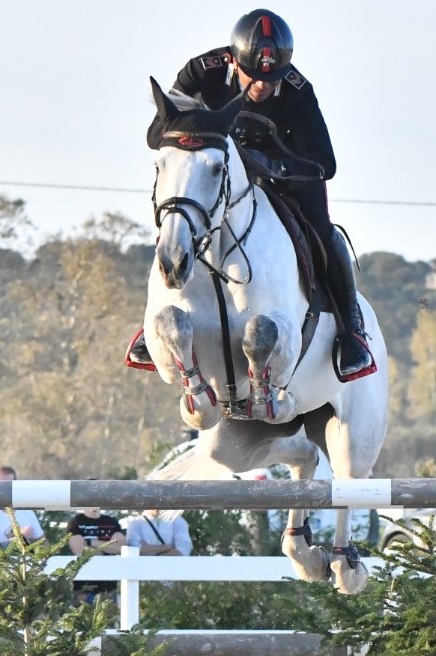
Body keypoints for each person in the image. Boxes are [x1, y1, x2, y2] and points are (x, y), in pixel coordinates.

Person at [129, 8, 376, 382]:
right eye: (253, 76)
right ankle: (152, 325)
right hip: (215, 173)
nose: (262, 85)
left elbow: (325, 162)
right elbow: (155, 135)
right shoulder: (201, 72)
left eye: (271, 78)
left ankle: (351, 333)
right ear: (233, 60)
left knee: (324, 231)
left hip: (281, 175)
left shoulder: (297, 90)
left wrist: (272, 166)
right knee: (178, 218)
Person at [67, 508, 127, 603]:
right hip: (83, 589)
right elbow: (79, 552)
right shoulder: (76, 522)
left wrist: (90, 542)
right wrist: (106, 548)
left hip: (108, 588)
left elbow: (120, 548)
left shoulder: (111, 522)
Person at [0, 465, 46, 546]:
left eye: (9, 484)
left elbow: (43, 544)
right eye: (0, 485)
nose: (5, 489)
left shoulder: (27, 513)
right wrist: (20, 538)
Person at [125, 509, 193, 557]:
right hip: (143, 570)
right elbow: (134, 549)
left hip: (171, 570)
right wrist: (168, 547)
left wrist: (147, 549)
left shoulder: (178, 521)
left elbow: (184, 548)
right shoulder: (135, 523)